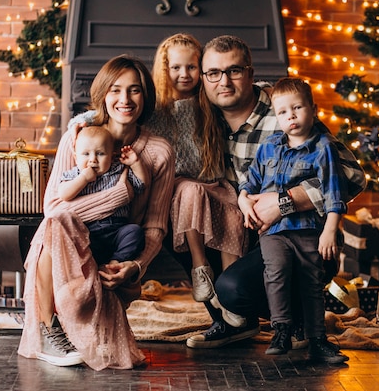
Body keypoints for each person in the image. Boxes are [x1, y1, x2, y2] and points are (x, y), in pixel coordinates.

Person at [186, 35, 365, 362]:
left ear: (250, 74)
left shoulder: (285, 110)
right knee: (182, 205)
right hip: (254, 232)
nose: (223, 81)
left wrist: (283, 202)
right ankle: (231, 322)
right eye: (213, 73)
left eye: (234, 71)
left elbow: (352, 176)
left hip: (304, 235)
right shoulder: (206, 119)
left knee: (234, 288)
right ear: (203, 78)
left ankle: (300, 321)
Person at [17, 55, 175, 370]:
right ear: (103, 95)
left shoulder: (159, 152)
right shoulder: (77, 138)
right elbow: (53, 208)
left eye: (135, 90)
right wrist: (122, 193)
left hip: (118, 248)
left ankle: (83, 319)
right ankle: (50, 328)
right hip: (68, 246)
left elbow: (155, 226)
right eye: (115, 90)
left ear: (145, 96)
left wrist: (136, 265)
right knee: (57, 223)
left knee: (118, 235)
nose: (125, 100)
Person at [238, 77, 349, 361]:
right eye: (283, 112)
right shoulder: (268, 148)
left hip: (309, 229)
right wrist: (243, 199)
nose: (291, 116)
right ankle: (282, 329)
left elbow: (334, 193)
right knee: (276, 273)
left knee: (311, 281)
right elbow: (249, 183)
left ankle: (317, 341)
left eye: (297, 108)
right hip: (273, 231)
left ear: (313, 108)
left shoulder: (324, 147)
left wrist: (330, 231)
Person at [145, 33, 248, 317]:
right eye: (176, 68)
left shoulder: (208, 103)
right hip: (179, 185)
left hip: (211, 179)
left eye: (191, 67)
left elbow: (249, 89)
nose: (184, 74)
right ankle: (199, 267)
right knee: (191, 190)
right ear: (165, 70)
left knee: (233, 211)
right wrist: (82, 121)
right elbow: (110, 113)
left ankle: (231, 289)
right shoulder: (156, 108)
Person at [58, 125, 147, 265]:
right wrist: (83, 179)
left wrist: (136, 163)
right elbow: (64, 194)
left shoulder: (118, 170)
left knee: (135, 232)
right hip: (88, 232)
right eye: (86, 154)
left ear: (112, 156)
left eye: (100, 153)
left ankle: (116, 261)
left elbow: (141, 184)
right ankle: (90, 265)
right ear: (75, 157)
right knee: (73, 241)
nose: (93, 159)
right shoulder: (75, 174)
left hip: (117, 229)